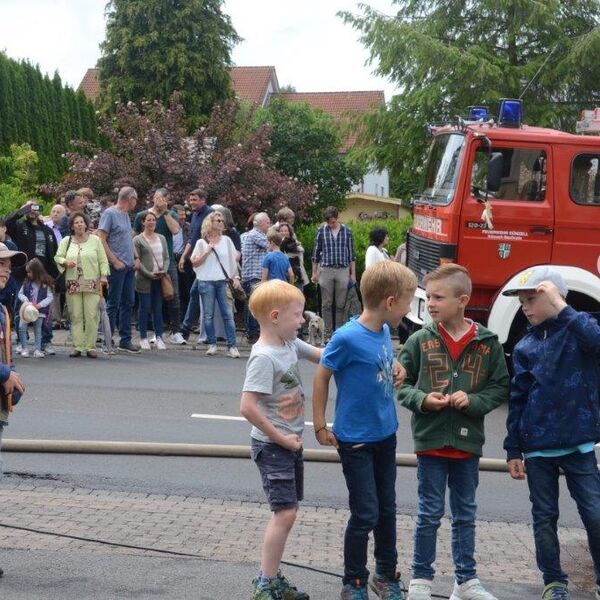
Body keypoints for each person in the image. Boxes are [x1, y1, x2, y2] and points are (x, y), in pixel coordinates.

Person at [397, 264, 509, 600]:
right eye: (428, 296)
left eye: (437, 297)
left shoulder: (488, 343)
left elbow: (501, 386)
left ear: (463, 300)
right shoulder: (419, 340)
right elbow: (401, 385)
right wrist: (422, 400)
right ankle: (421, 579)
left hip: (467, 443)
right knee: (428, 513)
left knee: (465, 514)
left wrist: (474, 401)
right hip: (430, 442)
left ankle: (466, 581)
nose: (429, 303)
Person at [312, 261, 417, 600]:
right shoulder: (347, 337)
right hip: (355, 440)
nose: (408, 310)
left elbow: (383, 359)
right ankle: (354, 580)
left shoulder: (384, 331)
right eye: (407, 302)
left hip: (385, 435)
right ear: (390, 302)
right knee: (366, 512)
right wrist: (319, 424)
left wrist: (397, 366)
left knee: (387, 508)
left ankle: (386, 573)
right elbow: (322, 374)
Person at [502, 267, 600, 600]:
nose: (526, 308)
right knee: (544, 517)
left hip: (579, 442)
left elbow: (597, 341)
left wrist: (561, 304)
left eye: (533, 299)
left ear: (556, 298)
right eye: (522, 302)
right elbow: (517, 398)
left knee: (595, 513)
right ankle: (554, 582)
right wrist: (513, 448)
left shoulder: (579, 331)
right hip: (539, 447)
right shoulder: (525, 345)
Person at [240, 279, 322, 600]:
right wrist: (282, 439)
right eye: (298, 315)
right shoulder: (264, 358)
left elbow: (323, 356)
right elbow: (247, 406)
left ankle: (271, 577)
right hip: (273, 446)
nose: (303, 321)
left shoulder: (289, 344)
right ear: (275, 317)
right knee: (284, 513)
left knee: (288, 511)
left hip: (288, 445)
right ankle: (266, 584)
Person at [5, 199, 59, 355]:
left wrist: (53, 276)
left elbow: (53, 253)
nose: (32, 210)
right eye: (30, 207)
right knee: (21, 307)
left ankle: (45, 341)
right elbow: (7, 222)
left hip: (43, 275)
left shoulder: (47, 230)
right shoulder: (20, 227)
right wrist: (21, 210)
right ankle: (22, 341)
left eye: (35, 207)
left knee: (44, 310)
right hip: (23, 274)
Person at [134, 189, 185, 345]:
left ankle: (176, 331)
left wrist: (165, 212)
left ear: (167, 200)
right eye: (156, 197)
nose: (159, 200)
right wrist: (136, 260)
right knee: (149, 300)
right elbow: (134, 236)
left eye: (162, 198)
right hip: (146, 263)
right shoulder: (142, 215)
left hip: (166, 262)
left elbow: (176, 230)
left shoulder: (170, 214)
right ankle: (153, 332)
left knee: (173, 295)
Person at [54, 212, 109, 358]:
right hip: (73, 283)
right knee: (76, 315)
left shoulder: (95, 240)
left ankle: (90, 346)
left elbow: (103, 259)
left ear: (86, 224)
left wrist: (103, 275)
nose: (79, 224)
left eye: (81, 222)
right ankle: (78, 346)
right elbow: (57, 257)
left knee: (91, 315)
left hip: (92, 282)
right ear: (72, 226)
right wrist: (65, 262)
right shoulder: (66, 241)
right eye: (76, 223)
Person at [97, 186, 141, 353]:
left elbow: (127, 239)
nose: (135, 203)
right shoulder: (110, 213)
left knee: (128, 302)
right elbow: (101, 239)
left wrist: (136, 257)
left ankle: (125, 340)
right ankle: (107, 340)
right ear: (130, 199)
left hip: (128, 266)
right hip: (116, 266)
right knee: (113, 303)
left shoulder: (125, 216)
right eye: (135, 200)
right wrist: (114, 261)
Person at [190, 212, 240, 358]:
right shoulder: (201, 242)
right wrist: (207, 251)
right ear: (209, 223)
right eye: (217, 220)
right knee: (208, 315)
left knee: (228, 314)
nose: (221, 222)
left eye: (222, 220)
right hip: (205, 281)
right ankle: (212, 344)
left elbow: (232, 262)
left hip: (223, 282)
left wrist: (236, 277)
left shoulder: (227, 240)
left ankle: (232, 346)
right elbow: (194, 262)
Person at [311, 206, 356, 340]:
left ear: (337, 218)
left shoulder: (347, 231)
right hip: (326, 269)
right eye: (329, 222)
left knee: (341, 303)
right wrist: (314, 272)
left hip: (342, 269)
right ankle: (327, 332)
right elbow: (315, 253)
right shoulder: (321, 230)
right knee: (326, 303)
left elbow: (351, 254)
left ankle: (340, 332)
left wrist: (353, 274)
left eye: (333, 221)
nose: (331, 224)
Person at [178, 189, 213, 341]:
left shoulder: (210, 214)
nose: (191, 202)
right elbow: (192, 239)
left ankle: (187, 329)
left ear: (203, 200)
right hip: (197, 261)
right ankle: (191, 330)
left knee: (200, 295)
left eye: (195, 200)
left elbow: (212, 238)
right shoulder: (195, 215)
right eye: (190, 200)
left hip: (208, 262)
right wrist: (184, 257)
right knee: (196, 294)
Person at [133, 212, 169, 351]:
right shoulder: (137, 239)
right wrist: (148, 273)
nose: (151, 222)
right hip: (144, 279)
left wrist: (164, 270)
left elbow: (166, 257)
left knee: (158, 308)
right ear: (143, 222)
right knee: (145, 308)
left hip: (160, 278)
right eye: (148, 220)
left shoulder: (162, 238)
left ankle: (159, 336)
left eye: (153, 220)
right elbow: (137, 260)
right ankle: (143, 337)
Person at [241, 212, 271, 344]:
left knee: (254, 304)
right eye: (267, 222)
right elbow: (271, 245)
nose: (269, 225)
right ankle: (252, 333)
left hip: (254, 276)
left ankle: (252, 332)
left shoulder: (256, 234)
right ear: (259, 224)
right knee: (255, 305)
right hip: (253, 276)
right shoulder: (255, 235)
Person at [17, 258, 54, 359]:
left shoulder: (45, 283)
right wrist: (26, 301)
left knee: (38, 330)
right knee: (21, 327)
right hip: (26, 310)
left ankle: (37, 349)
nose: (28, 274)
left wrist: (39, 305)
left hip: (39, 311)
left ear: (36, 271)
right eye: (27, 272)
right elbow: (20, 294)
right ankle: (24, 348)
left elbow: (50, 297)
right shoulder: (26, 282)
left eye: (29, 272)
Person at [172, 204, 191, 318]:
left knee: (185, 291)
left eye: (184, 215)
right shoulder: (168, 227)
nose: (183, 218)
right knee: (172, 291)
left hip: (184, 260)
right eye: (180, 215)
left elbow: (190, 241)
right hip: (171, 259)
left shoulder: (188, 226)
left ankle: (184, 318)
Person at [277, 223, 308, 289]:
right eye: (281, 231)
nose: (283, 233)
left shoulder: (296, 243)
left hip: (297, 273)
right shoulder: (276, 244)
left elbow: (300, 254)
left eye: (286, 231)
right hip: (282, 275)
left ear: (289, 232)